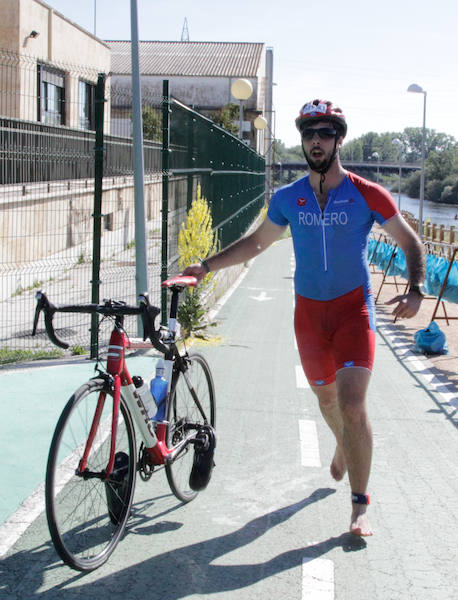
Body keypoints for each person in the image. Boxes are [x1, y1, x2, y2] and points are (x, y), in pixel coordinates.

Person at [182, 99, 426, 536]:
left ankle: (359, 505)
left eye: (326, 132)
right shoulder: (287, 198)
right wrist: (206, 266)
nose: (317, 140)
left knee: (352, 404)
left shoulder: (368, 194)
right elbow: (256, 244)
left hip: (354, 310)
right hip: (309, 316)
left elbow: (411, 243)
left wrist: (415, 288)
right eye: (309, 133)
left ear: (339, 139)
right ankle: (342, 443)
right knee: (327, 401)